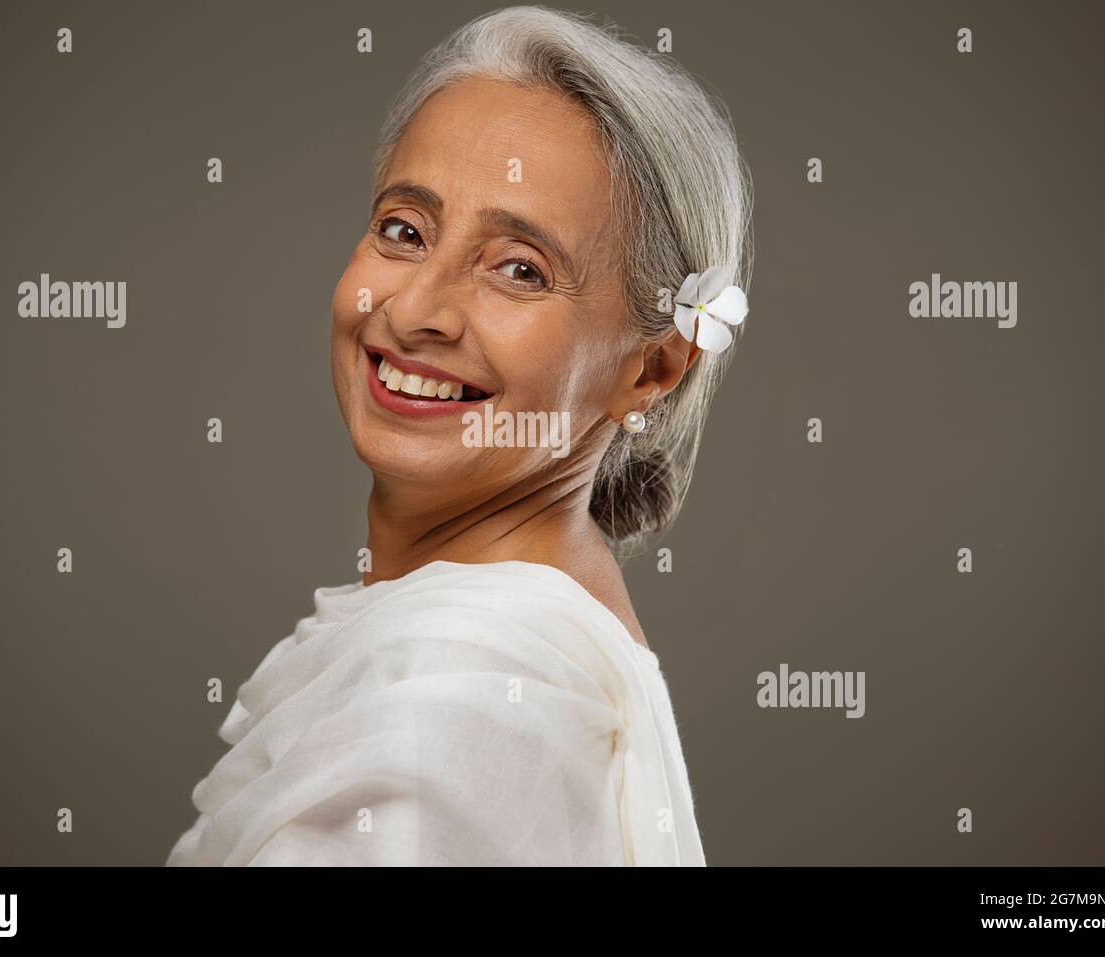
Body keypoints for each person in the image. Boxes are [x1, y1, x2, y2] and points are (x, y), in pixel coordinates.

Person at [168, 4, 752, 866]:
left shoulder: (467, 684)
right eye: (405, 230)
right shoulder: (539, 649)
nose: (416, 310)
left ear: (654, 370)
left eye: (520, 269)